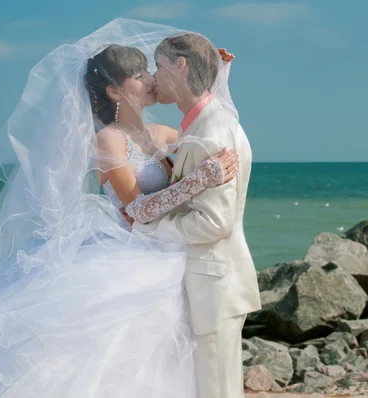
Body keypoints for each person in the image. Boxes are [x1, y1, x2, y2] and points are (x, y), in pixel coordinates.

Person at [0, 19, 240, 398]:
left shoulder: (164, 133)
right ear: (114, 90)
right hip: (133, 246)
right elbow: (137, 207)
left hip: (169, 245)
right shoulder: (108, 139)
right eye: (139, 74)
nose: (152, 78)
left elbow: (208, 125)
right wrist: (197, 180)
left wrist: (216, 77)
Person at [128, 32, 262, 398]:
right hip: (211, 282)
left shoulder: (211, 131)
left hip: (214, 284)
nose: (154, 77)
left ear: (180, 66)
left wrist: (152, 228)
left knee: (216, 389)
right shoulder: (211, 119)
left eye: (159, 65)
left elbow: (213, 223)